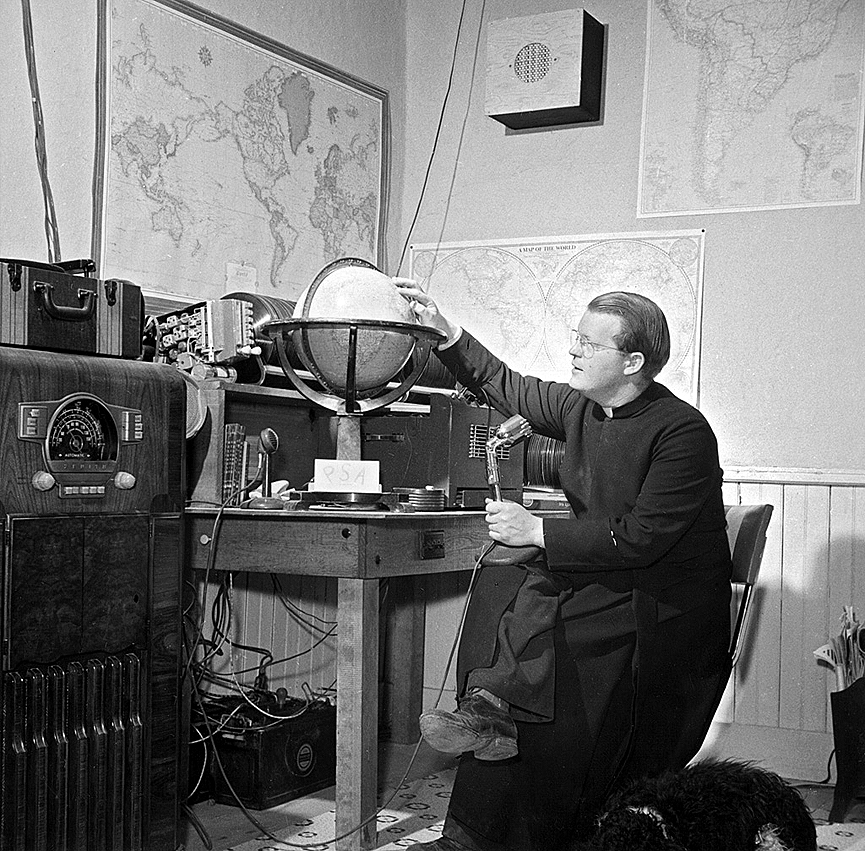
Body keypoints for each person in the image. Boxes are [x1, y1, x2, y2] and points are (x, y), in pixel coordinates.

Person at [394, 281, 733, 851]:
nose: (573, 350)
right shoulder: (581, 406)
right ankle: (481, 749)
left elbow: (642, 538)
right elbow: (505, 383)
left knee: (553, 663)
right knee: (501, 589)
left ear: (632, 363)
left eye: (588, 343)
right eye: (575, 336)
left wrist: (538, 531)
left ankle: (508, 793)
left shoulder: (683, 432)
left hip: (664, 608)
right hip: (612, 579)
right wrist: (445, 332)